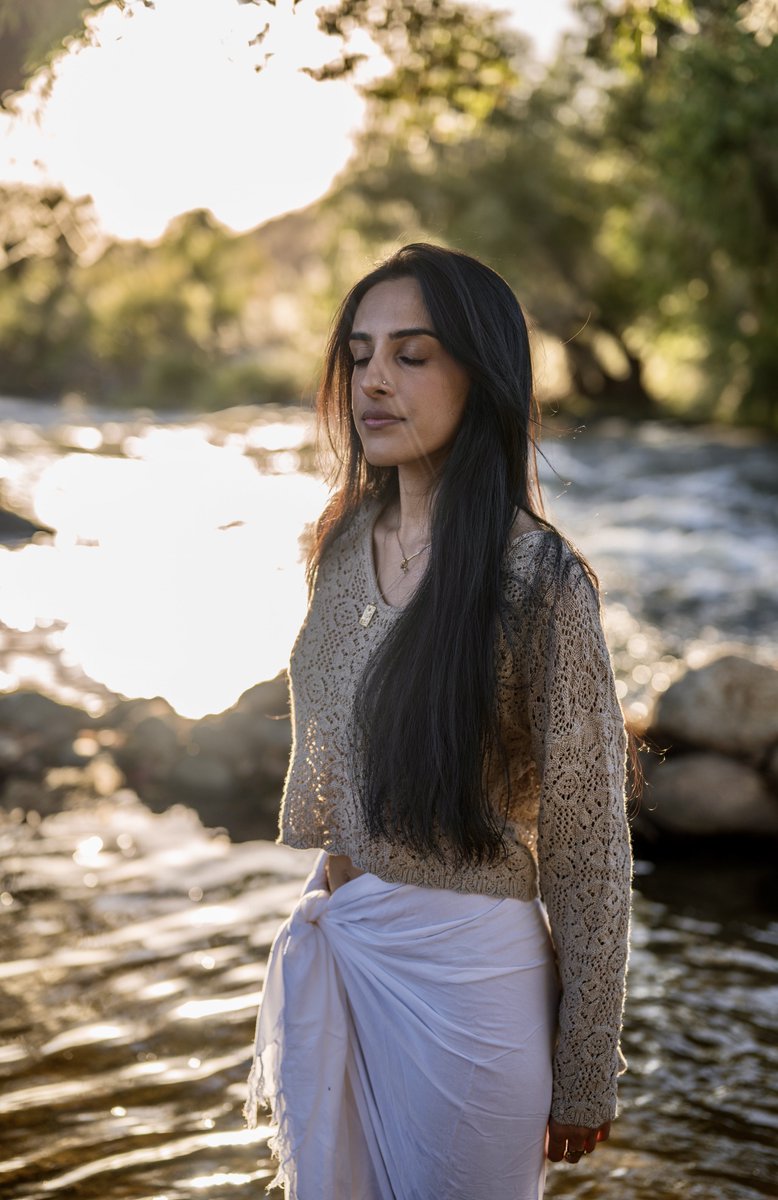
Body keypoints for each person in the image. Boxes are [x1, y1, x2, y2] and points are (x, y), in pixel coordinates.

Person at [245, 243, 633, 1199]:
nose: (374, 379)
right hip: (342, 941)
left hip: (470, 988)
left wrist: (587, 1061)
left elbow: (589, 844)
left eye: (412, 355)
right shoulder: (338, 547)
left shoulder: (538, 580)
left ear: (482, 375)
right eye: (362, 353)